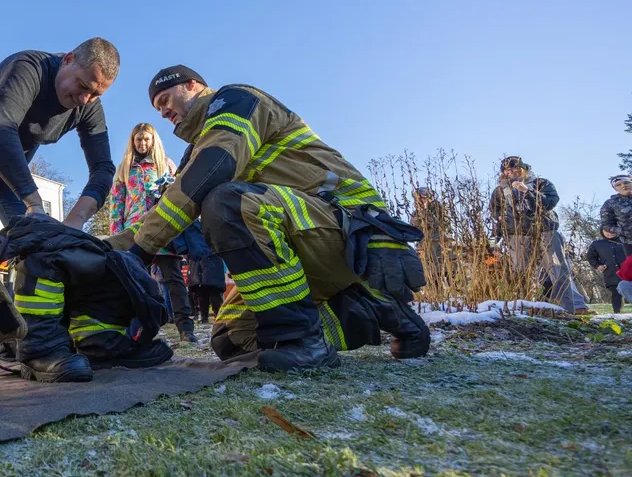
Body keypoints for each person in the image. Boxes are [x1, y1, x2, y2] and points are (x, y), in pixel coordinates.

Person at [107, 66, 431, 372]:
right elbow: (166, 209)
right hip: (299, 240)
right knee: (232, 339)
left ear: (192, 85)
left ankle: (303, 341)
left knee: (226, 203)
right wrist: (104, 251)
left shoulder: (236, 102)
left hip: (350, 231)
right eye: (157, 108)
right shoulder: (198, 148)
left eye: (165, 100)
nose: (163, 112)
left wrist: (140, 254)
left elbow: (212, 170)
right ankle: (374, 309)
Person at [0, 39, 119, 382]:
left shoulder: (88, 106)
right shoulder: (28, 68)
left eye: (96, 94)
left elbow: (103, 168)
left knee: (39, 244)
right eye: (82, 86)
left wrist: (74, 222)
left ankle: (32, 345)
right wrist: (34, 202)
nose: (85, 99)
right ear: (68, 60)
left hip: (7, 169)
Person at [108, 123, 195, 342]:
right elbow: (117, 203)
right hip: (134, 231)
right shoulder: (125, 168)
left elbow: (178, 196)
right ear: (133, 141)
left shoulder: (166, 165)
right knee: (134, 280)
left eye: (146, 139)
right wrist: (117, 236)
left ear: (154, 141)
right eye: (138, 139)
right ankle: (135, 330)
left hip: (163, 227)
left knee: (173, 278)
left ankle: (185, 328)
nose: (142, 143)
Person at [487, 156, 591, 314]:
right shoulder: (499, 191)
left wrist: (527, 191)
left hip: (546, 232)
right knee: (520, 274)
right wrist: (492, 244)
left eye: (516, 168)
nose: (512, 172)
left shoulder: (541, 183)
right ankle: (526, 308)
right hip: (517, 237)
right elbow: (498, 217)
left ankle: (575, 307)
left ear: (524, 169)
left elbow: (549, 203)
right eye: (508, 170)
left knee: (558, 269)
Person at [410, 187, 451, 287]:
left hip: (439, 245)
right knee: (432, 278)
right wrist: (415, 223)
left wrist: (423, 214)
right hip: (425, 248)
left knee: (447, 273)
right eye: (418, 198)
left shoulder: (437, 208)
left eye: (422, 198)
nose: (420, 200)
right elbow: (414, 231)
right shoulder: (415, 213)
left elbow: (440, 223)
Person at [586, 228, 625, 313]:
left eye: (612, 231)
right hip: (611, 273)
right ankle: (617, 313)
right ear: (602, 230)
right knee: (616, 293)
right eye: (607, 231)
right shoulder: (597, 244)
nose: (609, 233)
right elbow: (591, 257)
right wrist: (598, 265)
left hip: (628, 272)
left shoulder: (626, 240)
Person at [599, 174, 632, 255]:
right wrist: (624, 232)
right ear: (615, 188)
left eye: (626, 183)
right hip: (629, 243)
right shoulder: (610, 203)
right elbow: (607, 225)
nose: (623, 186)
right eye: (618, 185)